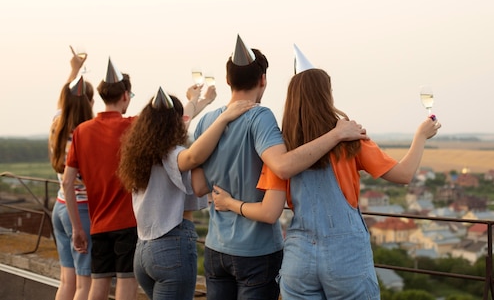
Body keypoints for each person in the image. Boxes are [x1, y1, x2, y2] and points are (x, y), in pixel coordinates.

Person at [210, 45, 441, 300]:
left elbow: (269, 212)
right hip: (347, 257)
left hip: (298, 260)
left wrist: (229, 203)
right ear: (326, 95)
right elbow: (404, 174)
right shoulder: (351, 139)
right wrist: (421, 136)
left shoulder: (282, 149)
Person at [191, 35, 368, 300]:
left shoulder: (206, 123)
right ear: (263, 79)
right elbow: (283, 166)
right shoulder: (260, 117)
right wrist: (335, 135)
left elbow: (199, 187)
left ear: (228, 81)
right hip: (256, 251)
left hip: (216, 248)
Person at [116, 85, 255, 300]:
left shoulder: (141, 154)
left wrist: (198, 100)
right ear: (174, 125)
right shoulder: (173, 153)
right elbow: (191, 158)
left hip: (143, 251)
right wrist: (223, 118)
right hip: (171, 247)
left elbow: (184, 119)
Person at [62, 57, 139, 300]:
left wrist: (76, 228)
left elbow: (66, 182)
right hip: (128, 222)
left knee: (98, 287)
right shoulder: (134, 126)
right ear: (125, 95)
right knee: (127, 287)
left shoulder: (82, 131)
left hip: (97, 223)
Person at [49, 47, 94, 300]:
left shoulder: (57, 124)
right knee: (83, 286)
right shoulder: (85, 136)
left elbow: (62, 99)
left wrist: (74, 69)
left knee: (67, 282)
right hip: (81, 210)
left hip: (60, 206)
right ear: (88, 103)